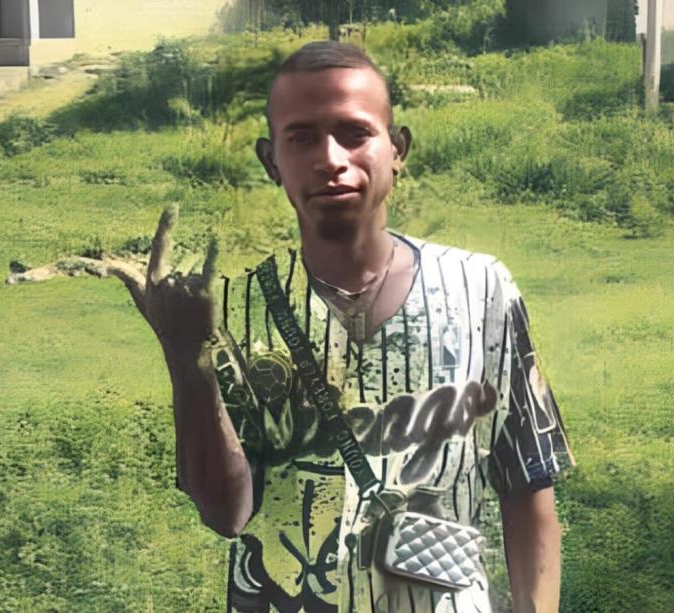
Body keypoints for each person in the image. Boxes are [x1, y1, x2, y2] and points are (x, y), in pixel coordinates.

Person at [112, 41, 574, 613]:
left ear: (397, 149)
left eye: (355, 133)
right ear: (270, 162)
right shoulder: (229, 309)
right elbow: (226, 514)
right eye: (301, 138)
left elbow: (527, 482)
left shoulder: (480, 289)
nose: (330, 158)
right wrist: (189, 360)